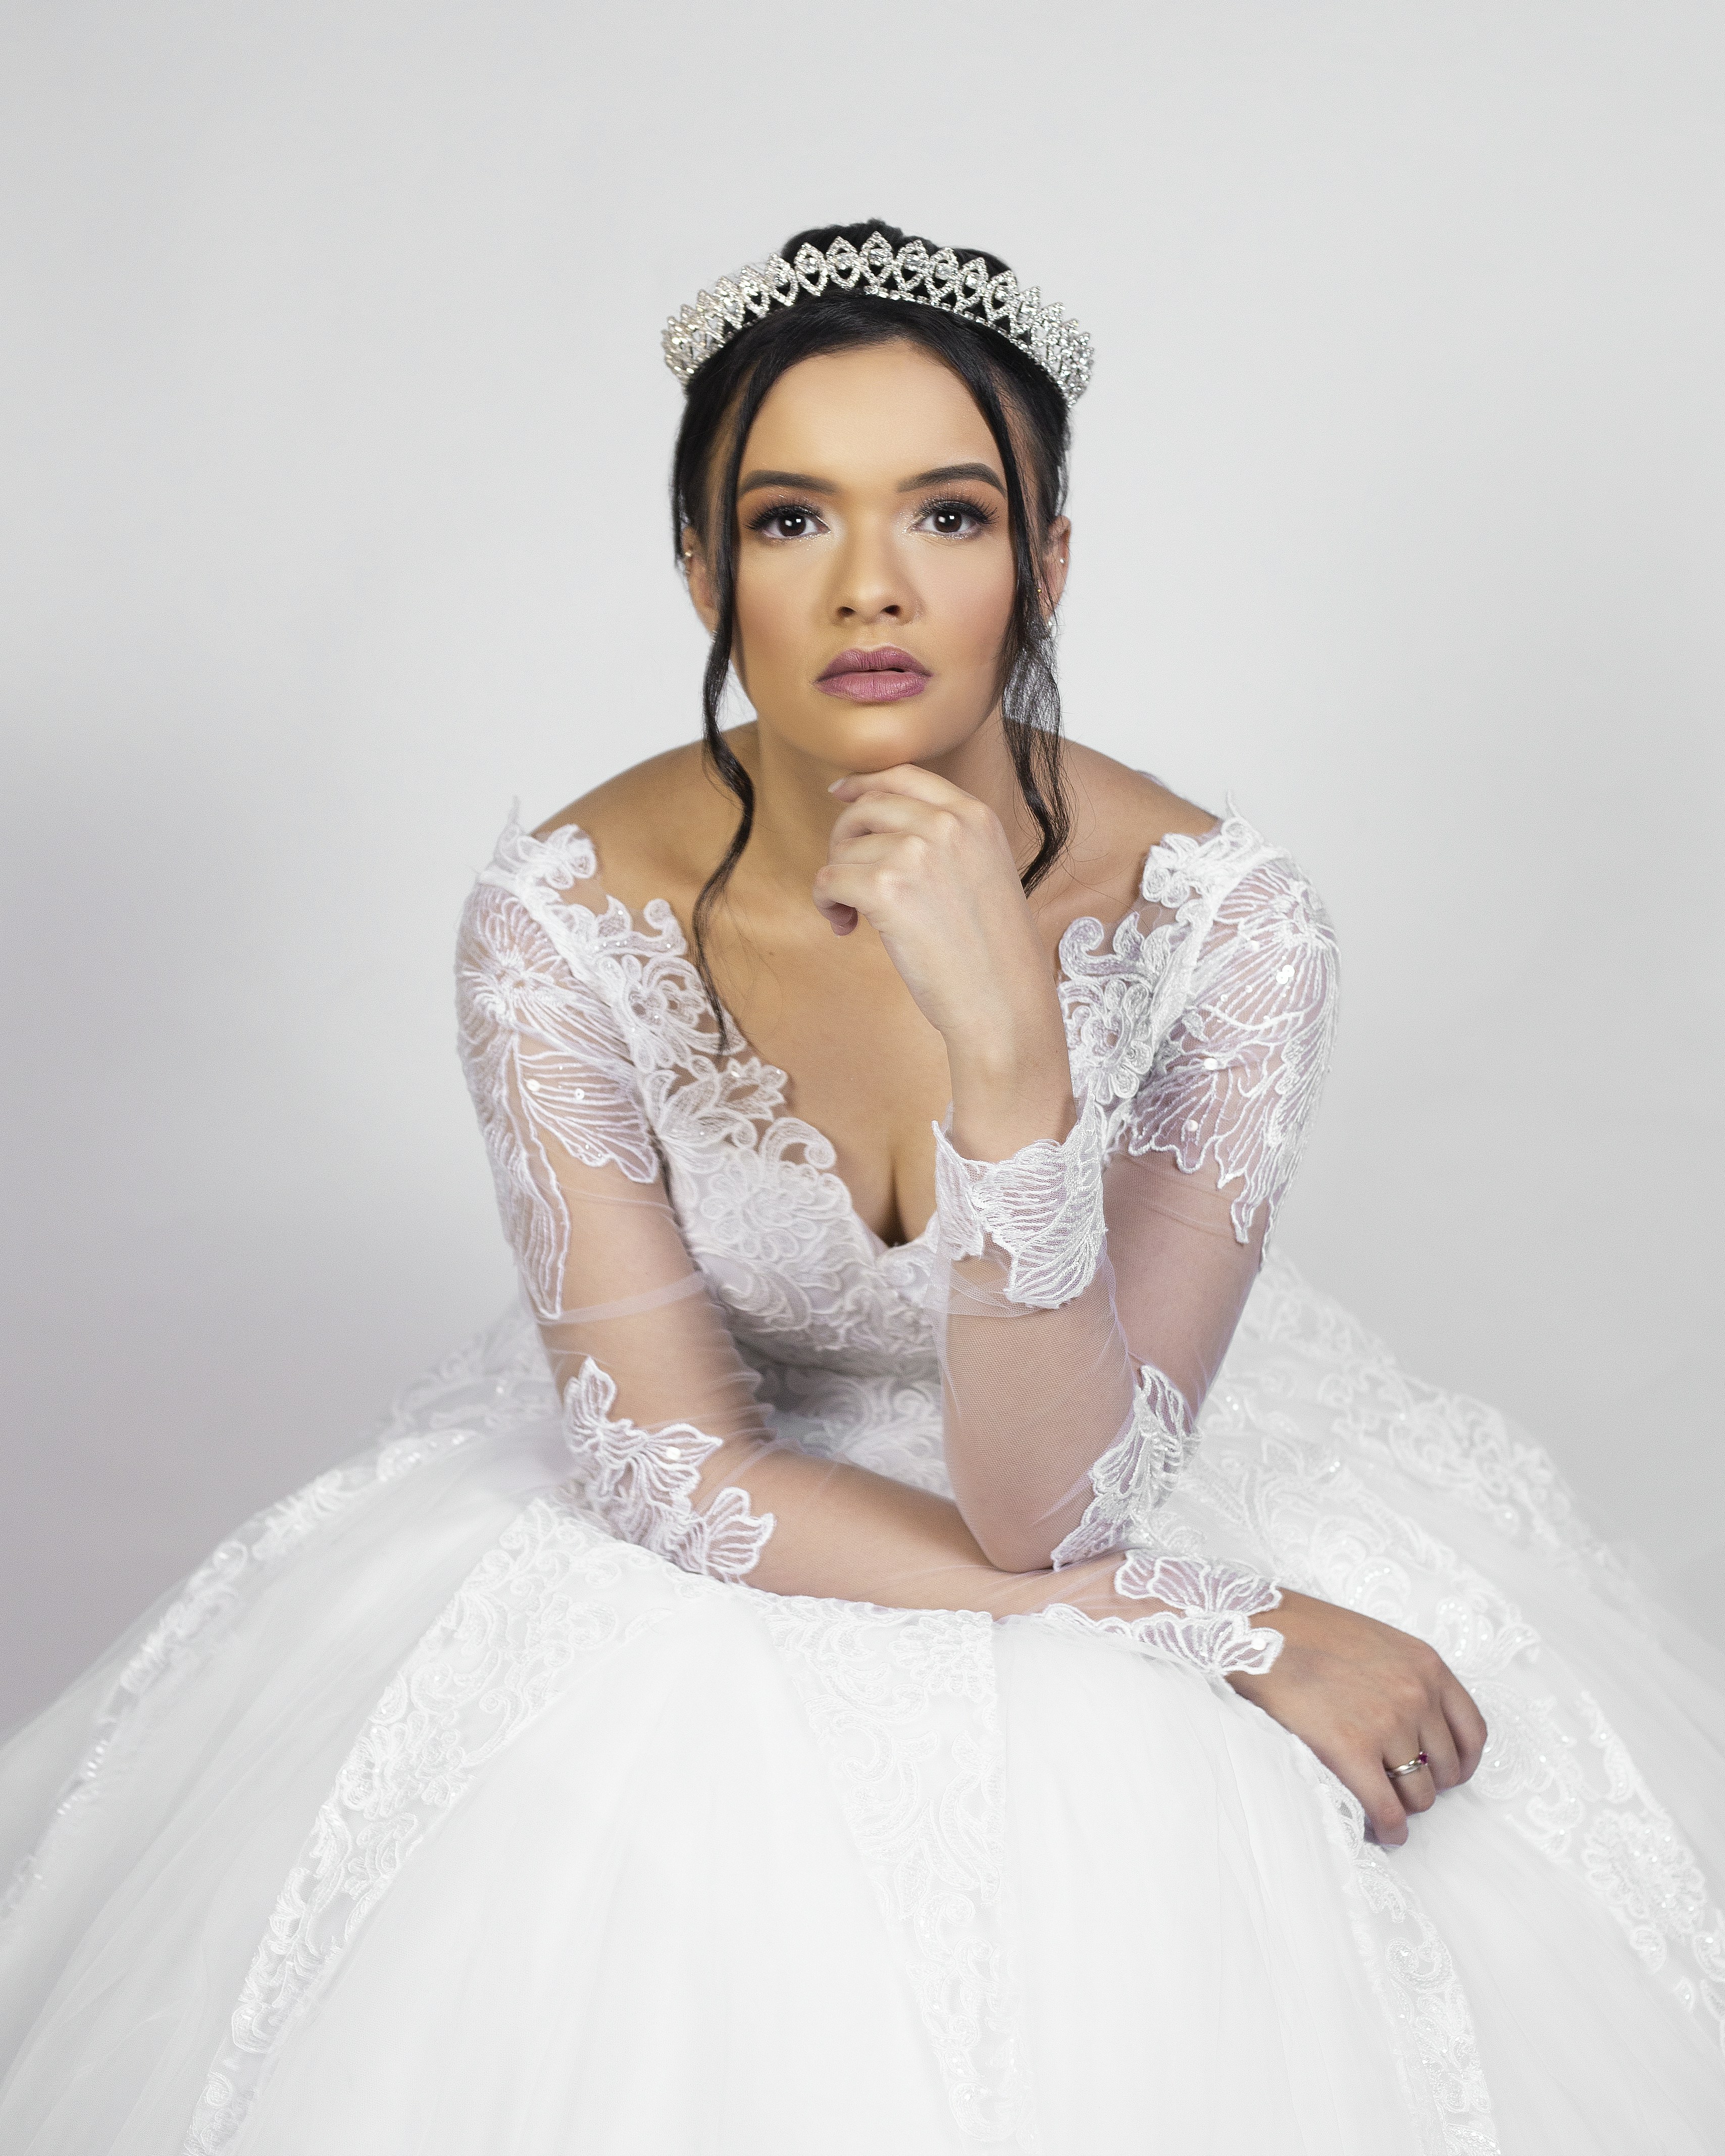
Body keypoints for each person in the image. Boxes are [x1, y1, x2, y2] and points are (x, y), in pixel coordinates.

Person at [1, 220, 1720, 2154]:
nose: (873, 589)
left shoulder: (1234, 928)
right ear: (701, 566)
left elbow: (1048, 1501)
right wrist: (1223, 1627)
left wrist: (1011, 1057)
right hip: (722, 1505)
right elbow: (668, 1471)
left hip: (1093, 1440)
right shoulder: (560, 921)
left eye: (955, 516)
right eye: (794, 521)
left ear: (1049, 561)